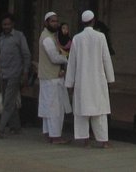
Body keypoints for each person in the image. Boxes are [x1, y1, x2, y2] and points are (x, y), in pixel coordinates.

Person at [66, 9, 115, 148]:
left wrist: (69, 82)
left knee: (82, 110)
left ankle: (83, 139)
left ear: (83, 23)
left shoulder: (77, 38)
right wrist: (110, 78)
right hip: (97, 80)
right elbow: (106, 59)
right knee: (99, 111)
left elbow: (72, 62)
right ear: (93, 21)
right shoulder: (100, 37)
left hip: (82, 80)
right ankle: (103, 140)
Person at [36, 11, 71, 143]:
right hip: (51, 79)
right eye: (52, 21)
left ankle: (49, 134)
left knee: (48, 107)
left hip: (49, 78)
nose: (55, 23)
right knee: (55, 109)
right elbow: (54, 57)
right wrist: (68, 58)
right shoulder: (47, 38)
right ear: (46, 23)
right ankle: (56, 136)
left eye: (56, 21)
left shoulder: (51, 36)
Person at [0, 13, 30, 138]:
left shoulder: (19, 36)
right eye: (4, 24)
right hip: (3, 74)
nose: (6, 26)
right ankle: (16, 126)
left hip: (15, 74)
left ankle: (1, 128)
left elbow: (26, 55)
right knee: (8, 100)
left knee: (8, 102)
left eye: (8, 24)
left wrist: (25, 72)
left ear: (13, 24)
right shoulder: (1, 39)